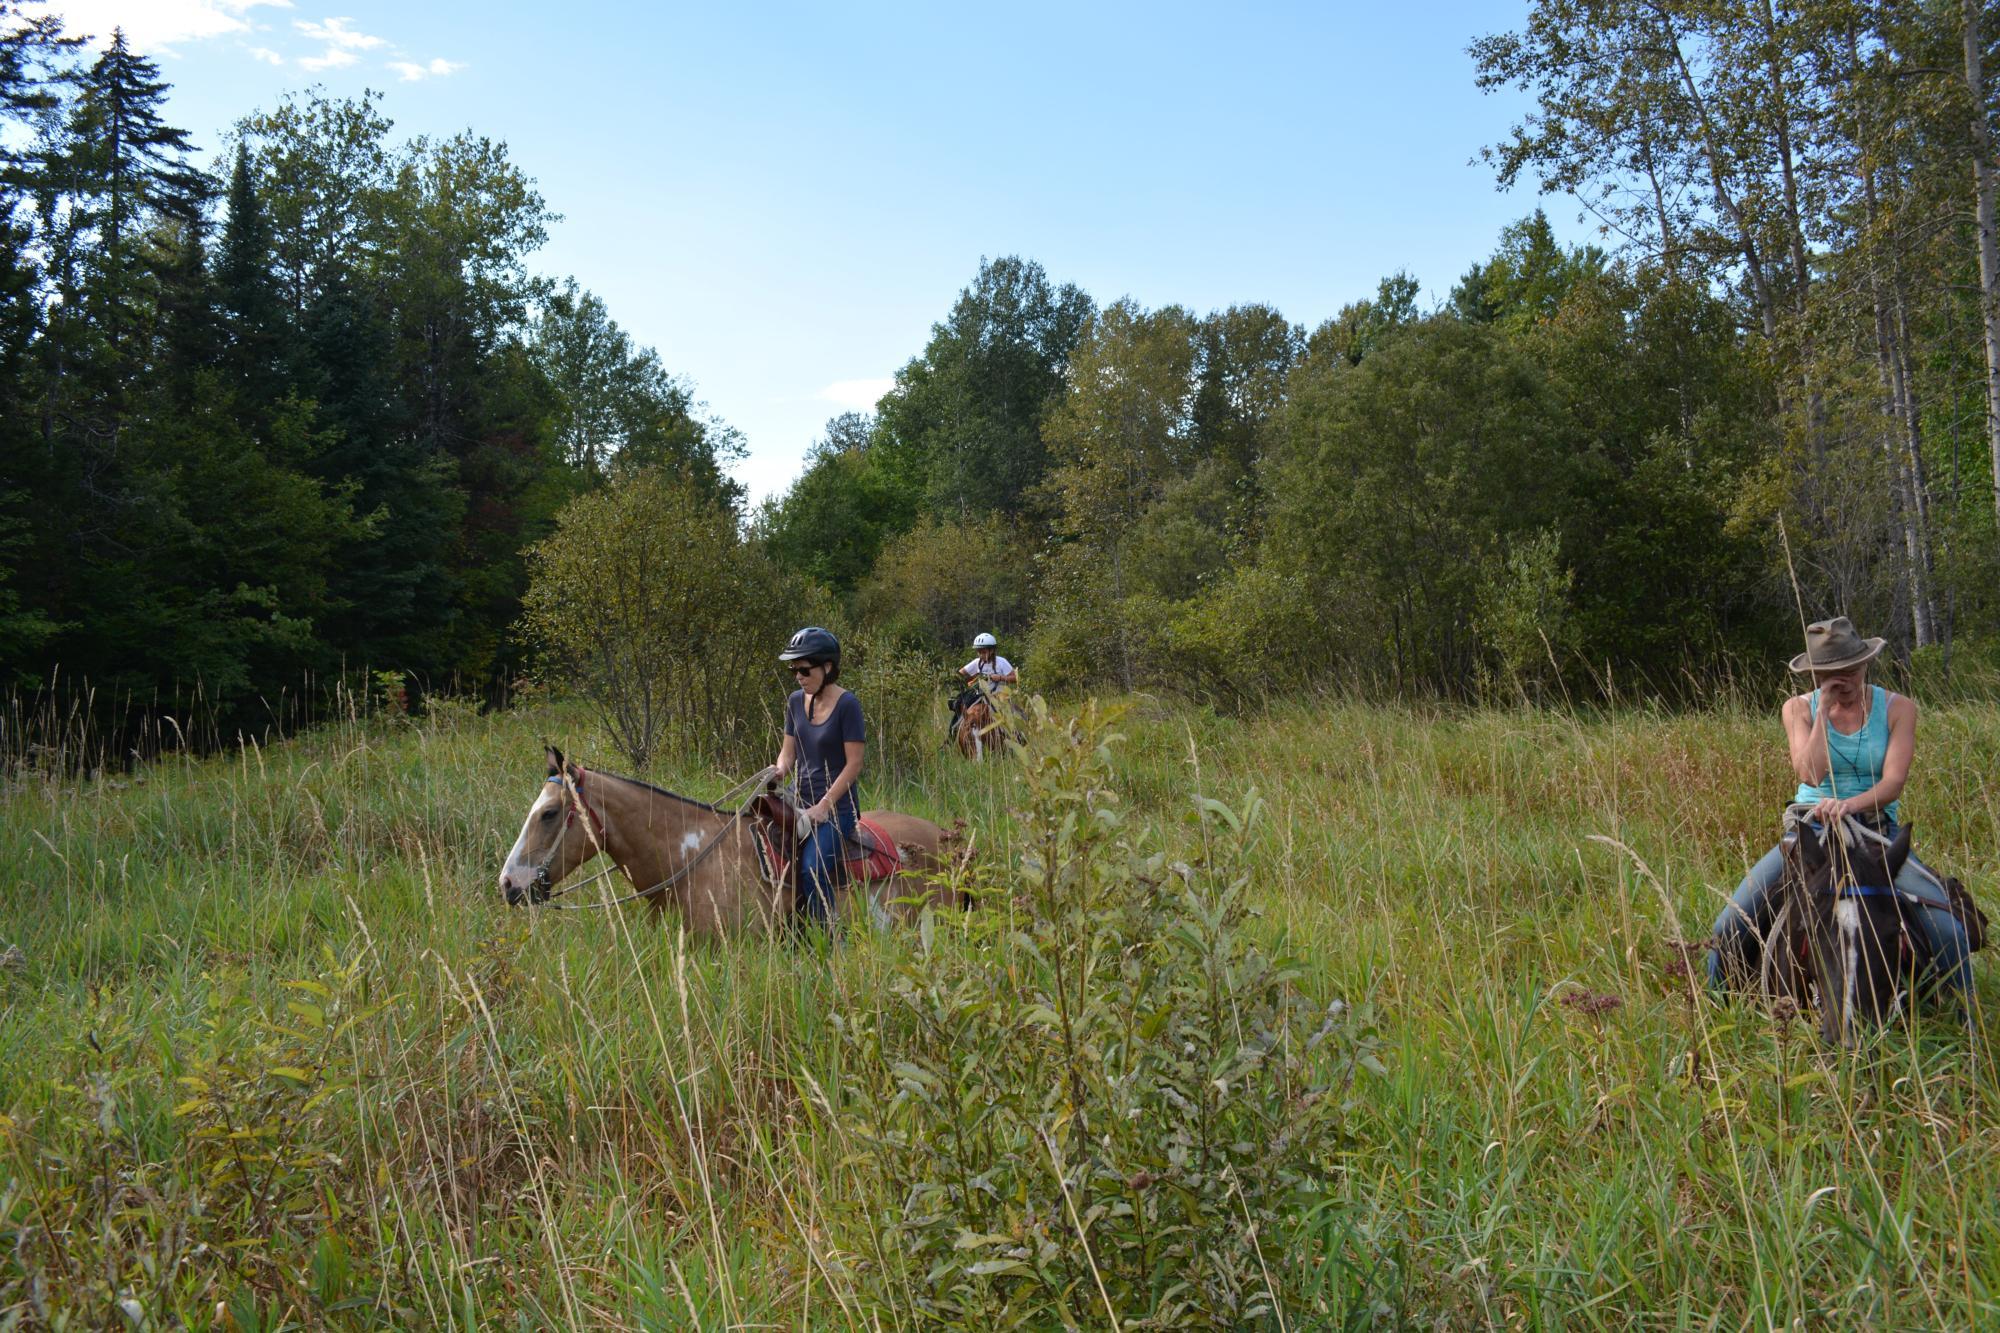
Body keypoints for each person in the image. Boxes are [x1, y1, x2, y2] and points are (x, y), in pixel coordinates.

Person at [1705, 616, 1971, 1005]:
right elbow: (1810, 773)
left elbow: (1893, 782)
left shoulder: (1899, 709)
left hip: (1875, 831)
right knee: (1729, 924)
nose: (1842, 679)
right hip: (1809, 832)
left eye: (1848, 669)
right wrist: (1824, 711)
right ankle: (1717, 1010)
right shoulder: (1798, 708)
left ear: (1865, 663)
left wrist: (1848, 805)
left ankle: (1965, 1022)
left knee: (1949, 931)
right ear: (1813, 674)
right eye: (1829, 673)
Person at [771, 626, 864, 928]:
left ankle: (829, 936)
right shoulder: (795, 701)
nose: (798, 676)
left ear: (827, 667)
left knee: (812, 867)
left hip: (837, 809)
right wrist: (778, 771)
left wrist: (824, 806)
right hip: (798, 798)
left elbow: (854, 764)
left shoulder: (848, 705)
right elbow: (788, 753)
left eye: (804, 669)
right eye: (794, 669)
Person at [951, 632, 1018, 741]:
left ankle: (1016, 737)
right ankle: (952, 735)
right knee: (960, 706)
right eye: (979, 652)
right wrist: (966, 679)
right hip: (980, 695)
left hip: (999, 695)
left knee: (1008, 716)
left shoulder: (1002, 662)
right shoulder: (977, 662)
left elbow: (1015, 678)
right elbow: (960, 673)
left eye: (983, 652)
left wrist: (1000, 678)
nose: (981, 655)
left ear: (991, 651)